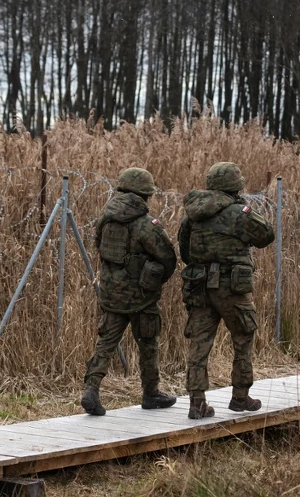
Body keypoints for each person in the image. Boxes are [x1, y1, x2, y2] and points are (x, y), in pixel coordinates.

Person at [178, 162, 275, 419]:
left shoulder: (194, 212)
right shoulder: (237, 212)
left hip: (199, 285)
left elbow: (184, 249)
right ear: (235, 184)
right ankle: (240, 397)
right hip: (231, 287)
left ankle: (196, 402)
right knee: (243, 337)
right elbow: (266, 234)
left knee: (199, 343)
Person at [80, 167, 178, 416]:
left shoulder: (106, 218)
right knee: (148, 344)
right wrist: (154, 279)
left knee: (106, 342)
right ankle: (151, 393)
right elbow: (168, 258)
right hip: (141, 297)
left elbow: (99, 246)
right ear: (145, 194)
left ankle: (91, 389)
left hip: (112, 293)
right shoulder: (146, 225)